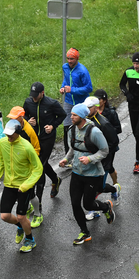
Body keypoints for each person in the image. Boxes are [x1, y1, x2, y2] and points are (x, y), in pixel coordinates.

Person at [59, 103, 116, 245]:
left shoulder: (95, 132)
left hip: (93, 174)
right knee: (74, 203)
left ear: (83, 117)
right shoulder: (71, 130)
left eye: (74, 115)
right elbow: (73, 149)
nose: (71, 117)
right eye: (71, 114)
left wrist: (89, 159)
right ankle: (84, 232)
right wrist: (66, 159)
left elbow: (104, 150)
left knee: (88, 205)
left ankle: (105, 207)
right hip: (77, 172)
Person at [0, 120, 43, 253]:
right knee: (4, 216)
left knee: (21, 216)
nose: (8, 137)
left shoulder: (26, 147)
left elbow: (38, 169)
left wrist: (27, 185)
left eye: (11, 134)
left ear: (18, 132)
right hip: (9, 184)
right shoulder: (2, 143)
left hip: (24, 186)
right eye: (7, 134)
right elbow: (0, 160)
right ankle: (20, 226)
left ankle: (30, 240)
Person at [23, 81, 67, 221]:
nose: (34, 98)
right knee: (42, 162)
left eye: (36, 95)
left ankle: (39, 202)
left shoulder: (52, 103)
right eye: (33, 95)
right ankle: (55, 179)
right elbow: (24, 116)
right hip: (34, 138)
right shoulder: (28, 102)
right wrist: (28, 121)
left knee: (39, 167)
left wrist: (52, 126)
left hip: (47, 138)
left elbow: (62, 115)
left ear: (42, 93)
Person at [83, 96, 121, 220]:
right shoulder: (84, 120)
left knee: (98, 187)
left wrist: (102, 157)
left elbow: (114, 141)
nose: (87, 110)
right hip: (89, 159)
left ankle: (95, 208)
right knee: (92, 186)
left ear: (96, 107)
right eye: (86, 107)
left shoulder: (103, 123)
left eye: (89, 108)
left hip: (102, 161)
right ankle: (114, 189)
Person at [6, 105, 42, 226]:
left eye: (15, 117)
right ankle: (28, 208)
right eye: (11, 117)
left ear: (21, 117)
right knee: (17, 191)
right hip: (17, 165)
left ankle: (38, 214)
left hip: (28, 165)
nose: (12, 119)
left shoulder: (28, 130)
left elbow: (36, 148)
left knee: (31, 193)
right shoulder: (11, 126)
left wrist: (30, 164)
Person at [60, 48, 93, 155]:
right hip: (68, 101)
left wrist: (72, 90)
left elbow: (89, 88)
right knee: (67, 127)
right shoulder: (65, 67)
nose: (69, 61)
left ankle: (85, 150)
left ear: (77, 59)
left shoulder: (82, 71)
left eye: (72, 59)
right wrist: (63, 88)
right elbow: (66, 80)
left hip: (80, 103)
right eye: (68, 58)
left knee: (82, 127)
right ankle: (67, 155)